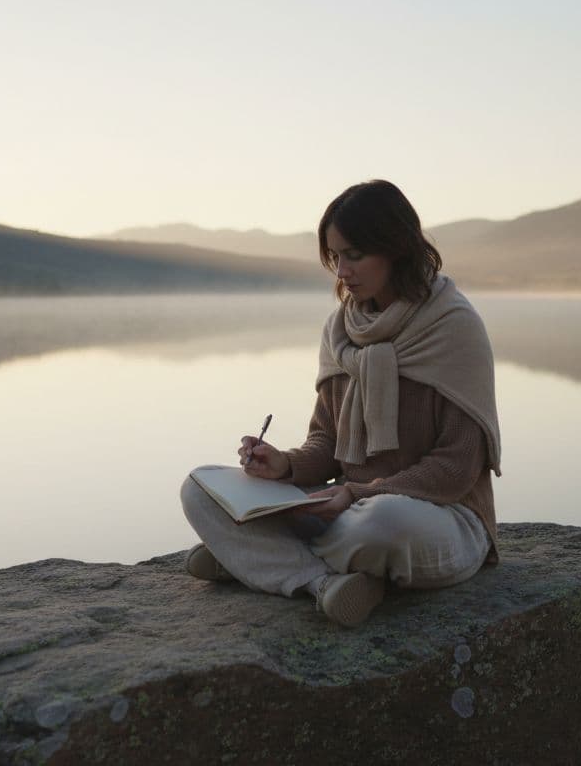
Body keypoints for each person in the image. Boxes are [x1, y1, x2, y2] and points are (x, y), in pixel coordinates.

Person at [179, 179, 502, 627]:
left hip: (437, 519)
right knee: (201, 488)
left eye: (353, 255)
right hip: (343, 510)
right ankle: (323, 584)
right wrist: (284, 465)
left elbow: (456, 469)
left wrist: (359, 493)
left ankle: (256, 562)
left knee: (381, 523)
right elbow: (326, 443)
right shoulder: (340, 331)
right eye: (335, 257)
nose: (341, 271)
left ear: (395, 247)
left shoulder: (453, 327)